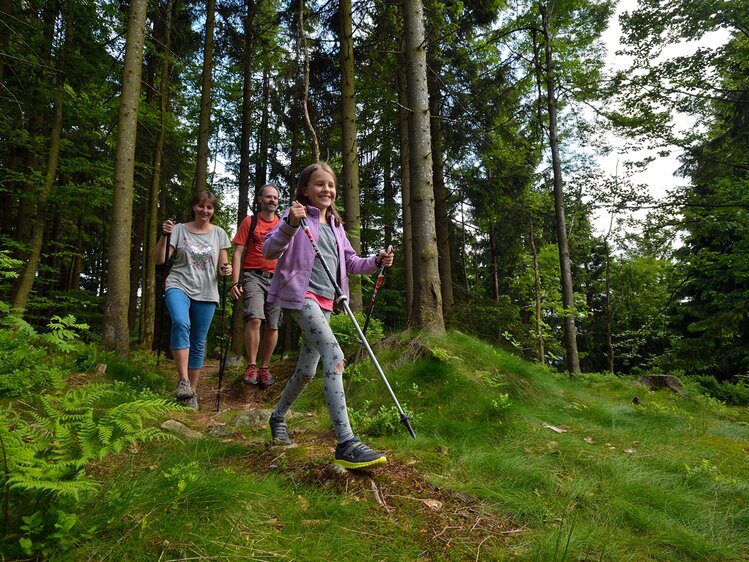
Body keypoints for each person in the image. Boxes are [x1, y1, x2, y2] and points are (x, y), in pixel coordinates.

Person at [262, 162, 394, 470]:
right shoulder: (295, 217)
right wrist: (289, 226)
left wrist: (376, 260)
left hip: (325, 302)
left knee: (307, 371)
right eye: (319, 184)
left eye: (331, 185)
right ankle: (346, 442)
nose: (327, 190)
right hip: (299, 297)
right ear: (305, 190)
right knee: (334, 354)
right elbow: (269, 251)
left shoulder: (335, 225)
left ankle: (277, 417)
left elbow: (350, 262)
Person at [153, 190, 232, 411]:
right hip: (178, 284)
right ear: (194, 207)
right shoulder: (177, 230)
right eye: (201, 206)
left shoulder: (219, 234)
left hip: (207, 291)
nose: (205, 211)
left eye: (209, 207)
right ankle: (183, 380)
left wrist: (227, 270)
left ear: (213, 211)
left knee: (199, 340)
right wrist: (163, 235)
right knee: (181, 322)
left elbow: (222, 267)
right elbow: (159, 260)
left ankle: (192, 394)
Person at [230, 184, 283, 389]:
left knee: (273, 324)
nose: (272, 200)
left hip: (278, 279)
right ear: (260, 199)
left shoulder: (283, 224)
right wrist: (235, 281)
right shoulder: (250, 222)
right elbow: (237, 253)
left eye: (275, 198)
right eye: (268, 197)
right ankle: (252, 365)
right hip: (253, 276)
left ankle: (265, 368)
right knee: (255, 317)